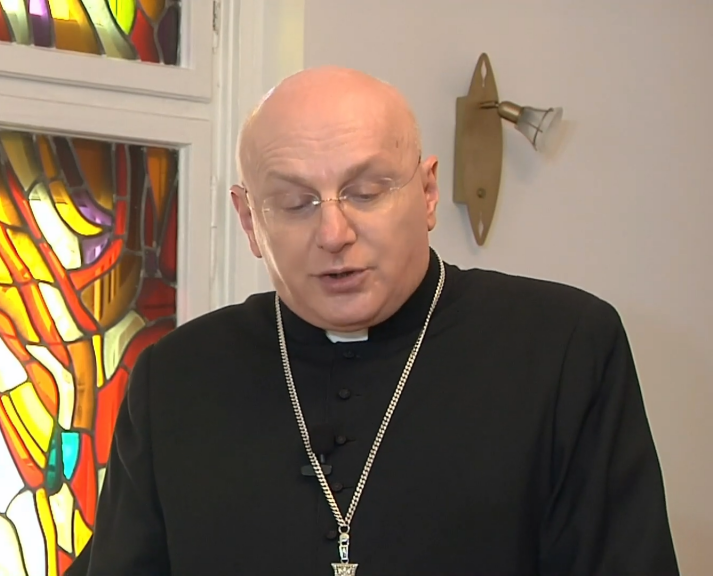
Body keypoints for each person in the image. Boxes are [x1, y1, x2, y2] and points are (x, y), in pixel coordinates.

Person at [66, 66, 679, 575]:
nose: (334, 233)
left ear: (428, 193)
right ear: (250, 221)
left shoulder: (564, 347)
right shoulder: (176, 377)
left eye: (366, 192)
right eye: (295, 203)